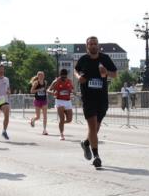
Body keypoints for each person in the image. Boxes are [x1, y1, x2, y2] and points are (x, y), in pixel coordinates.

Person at [75, 36, 117, 169]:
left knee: (96, 128)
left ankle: (86, 143)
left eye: (95, 44)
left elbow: (115, 74)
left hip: (102, 98)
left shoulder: (105, 59)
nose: (93, 46)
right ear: (87, 46)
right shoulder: (83, 60)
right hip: (88, 98)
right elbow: (76, 70)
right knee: (92, 127)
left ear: (98, 45)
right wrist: (79, 78)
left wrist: (107, 72)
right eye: (91, 44)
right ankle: (97, 156)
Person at [49, 68, 75, 140]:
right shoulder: (56, 81)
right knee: (62, 118)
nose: (64, 78)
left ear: (67, 76)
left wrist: (73, 93)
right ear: (60, 76)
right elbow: (48, 90)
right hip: (59, 101)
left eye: (65, 77)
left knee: (69, 120)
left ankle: (61, 123)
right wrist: (53, 92)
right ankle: (61, 134)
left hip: (68, 101)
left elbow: (73, 90)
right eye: (62, 77)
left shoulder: (69, 81)